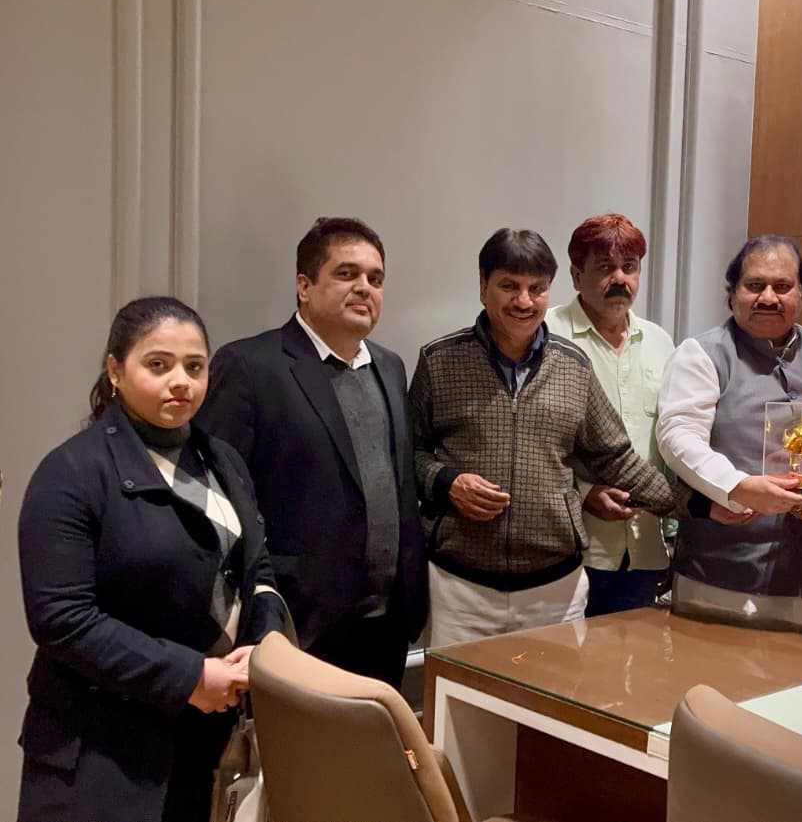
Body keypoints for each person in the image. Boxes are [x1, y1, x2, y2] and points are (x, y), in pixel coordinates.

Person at [17, 297, 288, 822]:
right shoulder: (71, 473)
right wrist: (189, 676)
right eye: (158, 365)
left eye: (195, 367)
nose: (180, 382)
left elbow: (258, 571)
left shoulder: (223, 460)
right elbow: (62, 620)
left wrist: (262, 647)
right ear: (116, 370)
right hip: (102, 753)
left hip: (206, 740)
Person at [410, 227, 687, 646]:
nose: (524, 301)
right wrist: (446, 482)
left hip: (555, 589)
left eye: (536, 288)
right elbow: (407, 455)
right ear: (483, 287)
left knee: (553, 690)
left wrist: (697, 506)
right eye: (509, 286)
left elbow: (616, 458)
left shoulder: (573, 366)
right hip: (460, 587)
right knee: (460, 691)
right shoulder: (440, 361)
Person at [197, 217, 426, 687]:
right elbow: (219, 500)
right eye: (346, 273)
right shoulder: (250, 367)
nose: (364, 288)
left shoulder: (390, 366)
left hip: (386, 622)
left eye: (375, 279)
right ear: (304, 286)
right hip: (298, 621)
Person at [657, 235, 802, 631]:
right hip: (720, 575)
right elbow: (677, 436)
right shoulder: (702, 354)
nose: (768, 297)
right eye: (755, 285)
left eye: (783, 286)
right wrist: (738, 487)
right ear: (732, 293)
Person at [544, 214, 677, 616]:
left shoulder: (659, 342)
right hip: (569, 550)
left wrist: (673, 539)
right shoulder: (546, 335)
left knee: (634, 654)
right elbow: (530, 444)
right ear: (576, 275)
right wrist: (585, 494)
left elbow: (669, 447)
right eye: (604, 268)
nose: (620, 279)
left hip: (644, 551)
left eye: (629, 267)